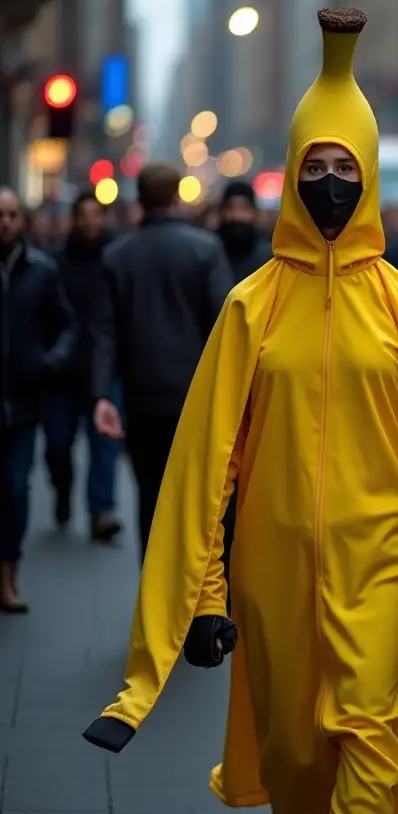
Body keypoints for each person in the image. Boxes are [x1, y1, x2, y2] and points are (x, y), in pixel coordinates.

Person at [81, 7, 398, 814]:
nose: (332, 181)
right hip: (274, 576)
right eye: (316, 164)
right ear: (292, 173)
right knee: (295, 758)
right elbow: (207, 465)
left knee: (366, 734)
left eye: (347, 165)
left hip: (382, 567)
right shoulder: (249, 307)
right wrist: (209, 596)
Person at [91, 162, 234, 561]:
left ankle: (154, 590)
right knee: (200, 500)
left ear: (140, 200)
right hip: (198, 397)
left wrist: (102, 394)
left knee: (150, 494)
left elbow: (105, 332)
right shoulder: (205, 248)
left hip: (142, 396)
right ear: (177, 197)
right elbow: (223, 325)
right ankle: (195, 592)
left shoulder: (117, 256)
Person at [0, 188, 77, 611]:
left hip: (25, 402)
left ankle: (8, 572)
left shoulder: (42, 271)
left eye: (12, 214)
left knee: (15, 487)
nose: (5, 222)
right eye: (1, 215)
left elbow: (66, 325)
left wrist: (49, 362)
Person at [44, 191, 123, 542]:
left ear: (105, 218)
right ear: (74, 219)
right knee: (58, 445)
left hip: (104, 370)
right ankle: (62, 490)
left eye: (96, 215)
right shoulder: (54, 263)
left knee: (104, 444)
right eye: (84, 215)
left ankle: (101, 511)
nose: (90, 221)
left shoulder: (117, 259)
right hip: (61, 373)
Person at [215, 179, 273, 281]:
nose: (237, 216)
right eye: (230, 208)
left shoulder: (268, 258)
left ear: (254, 213)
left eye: (244, 209)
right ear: (222, 212)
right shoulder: (209, 252)